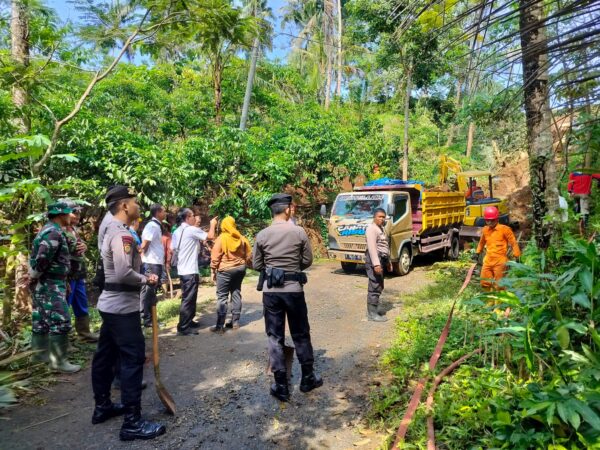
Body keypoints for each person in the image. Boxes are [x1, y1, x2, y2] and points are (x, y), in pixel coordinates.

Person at [90, 185, 165, 441]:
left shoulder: (110, 228)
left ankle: (103, 407)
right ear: (124, 205)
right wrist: (147, 279)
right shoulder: (120, 233)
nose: (138, 206)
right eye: (134, 201)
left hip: (111, 306)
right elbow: (123, 273)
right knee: (132, 359)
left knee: (105, 355)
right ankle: (132, 422)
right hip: (122, 307)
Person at [253, 193, 322, 402]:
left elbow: (257, 265)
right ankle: (307, 378)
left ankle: (281, 386)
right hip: (294, 290)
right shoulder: (299, 232)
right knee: (300, 333)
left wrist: (273, 268)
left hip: (271, 292)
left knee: (274, 336)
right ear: (286, 210)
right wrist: (292, 268)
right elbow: (308, 260)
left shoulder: (262, 235)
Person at [28, 201, 81, 373]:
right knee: (61, 320)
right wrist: (33, 276)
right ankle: (58, 362)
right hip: (49, 283)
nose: (70, 216)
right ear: (60, 215)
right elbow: (43, 258)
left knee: (41, 319)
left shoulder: (51, 230)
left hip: (49, 282)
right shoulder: (53, 232)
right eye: (67, 213)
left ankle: (39, 356)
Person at [170, 208, 217, 336]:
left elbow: (172, 249)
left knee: (190, 297)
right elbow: (211, 236)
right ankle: (183, 327)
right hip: (190, 270)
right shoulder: (190, 230)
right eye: (192, 216)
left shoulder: (177, 231)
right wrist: (212, 224)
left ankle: (189, 320)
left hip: (183, 269)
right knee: (188, 298)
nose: (195, 218)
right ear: (187, 218)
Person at [209, 216, 252, 333]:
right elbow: (249, 254)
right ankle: (235, 322)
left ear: (223, 225)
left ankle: (219, 326)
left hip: (225, 270)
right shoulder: (241, 238)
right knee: (236, 293)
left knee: (222, 296)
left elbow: (215, 256)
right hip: (240, 269)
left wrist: (213, 270)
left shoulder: (222, 239)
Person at [64, 200, 98, 343]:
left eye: (79, 213)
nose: (78, 216)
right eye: (74, 213)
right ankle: (65, 339)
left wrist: (84, 246)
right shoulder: (58, 231)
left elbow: (79, 245)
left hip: (78, 274)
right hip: (67, 275)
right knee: (65, 306)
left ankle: (84, 333)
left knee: (81, 303)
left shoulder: (73, 229)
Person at [473, 206, 521, 291]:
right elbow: (481, 242)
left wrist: (517, 255)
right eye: (488, 220)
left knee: (499, 285)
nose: (490, 222)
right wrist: (477, 253)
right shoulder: (485, 230)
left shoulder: (505, 230)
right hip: (487, 261)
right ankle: (490, 301)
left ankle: (500, 302)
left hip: (500, 262)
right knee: (484, 283)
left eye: (492, 220)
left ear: (497, 219)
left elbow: (513, 243)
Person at [140, 204, 167, 328]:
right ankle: (147, 319)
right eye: (164, 211)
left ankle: (151, 318)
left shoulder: (155, 225)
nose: (165, 213)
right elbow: (145, 244)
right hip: (151, 262)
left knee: (152, 292)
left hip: (155, 262)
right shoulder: (152, 226)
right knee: (150, 292)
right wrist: (142, 259)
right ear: (158, 212)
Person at [365, 208, 391, 322]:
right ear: (374, 217)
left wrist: (389, 262)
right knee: (374, 285)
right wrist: (376, 264)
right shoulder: (371, 229)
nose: (382, 219)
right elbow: (372, 248)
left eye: (383, 217)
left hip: (382, 259)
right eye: (379, 217)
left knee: (379, 284)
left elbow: (385, 246)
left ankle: (375, 308)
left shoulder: (381, 229)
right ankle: (372, 314)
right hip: (374, 260)